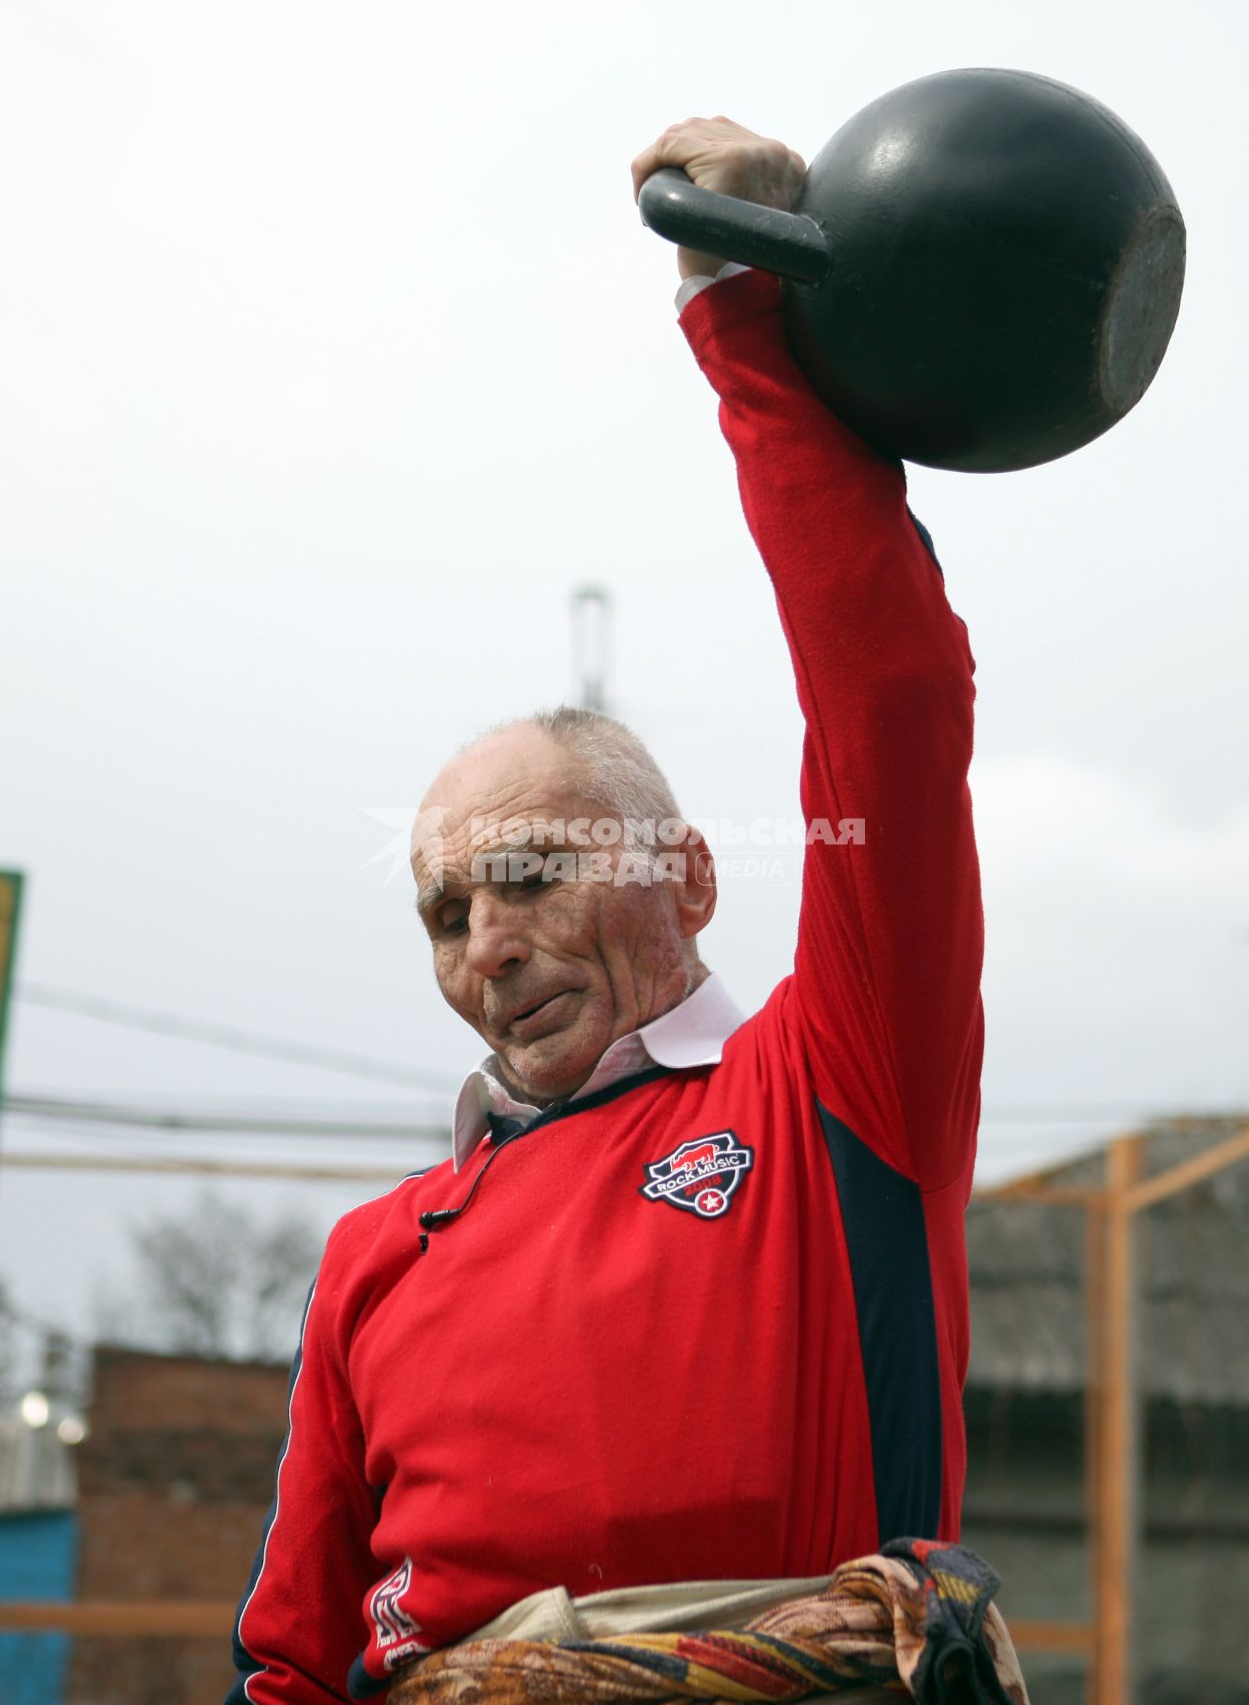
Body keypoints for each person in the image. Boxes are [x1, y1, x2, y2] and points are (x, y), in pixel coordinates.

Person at [225, 116, 984, 1705]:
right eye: (442, 913)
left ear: (690, 877)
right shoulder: (375, 1260)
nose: (484, 945)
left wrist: (744, 322)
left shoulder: (838, 1081)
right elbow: (290, 1667)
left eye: (530, 877)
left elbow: (891, 702)